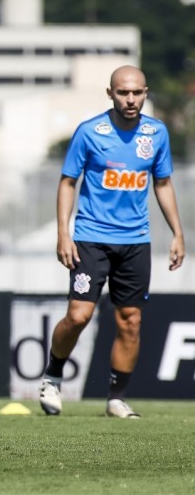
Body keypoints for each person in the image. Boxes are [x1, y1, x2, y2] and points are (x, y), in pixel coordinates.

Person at [39, 65, 185, 419]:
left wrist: (178, 233)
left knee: (130, 321)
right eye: (123, 93)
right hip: (91, 238)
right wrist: (64, 232)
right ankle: (52, 377)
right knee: (79, 316)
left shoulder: (157, 133)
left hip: (135, 241)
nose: (130, 99)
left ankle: (116, 399)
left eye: (136, 92)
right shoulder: (90, 132)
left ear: (146, 92)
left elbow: (162, 183)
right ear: (110, 94)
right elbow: (67, 182)